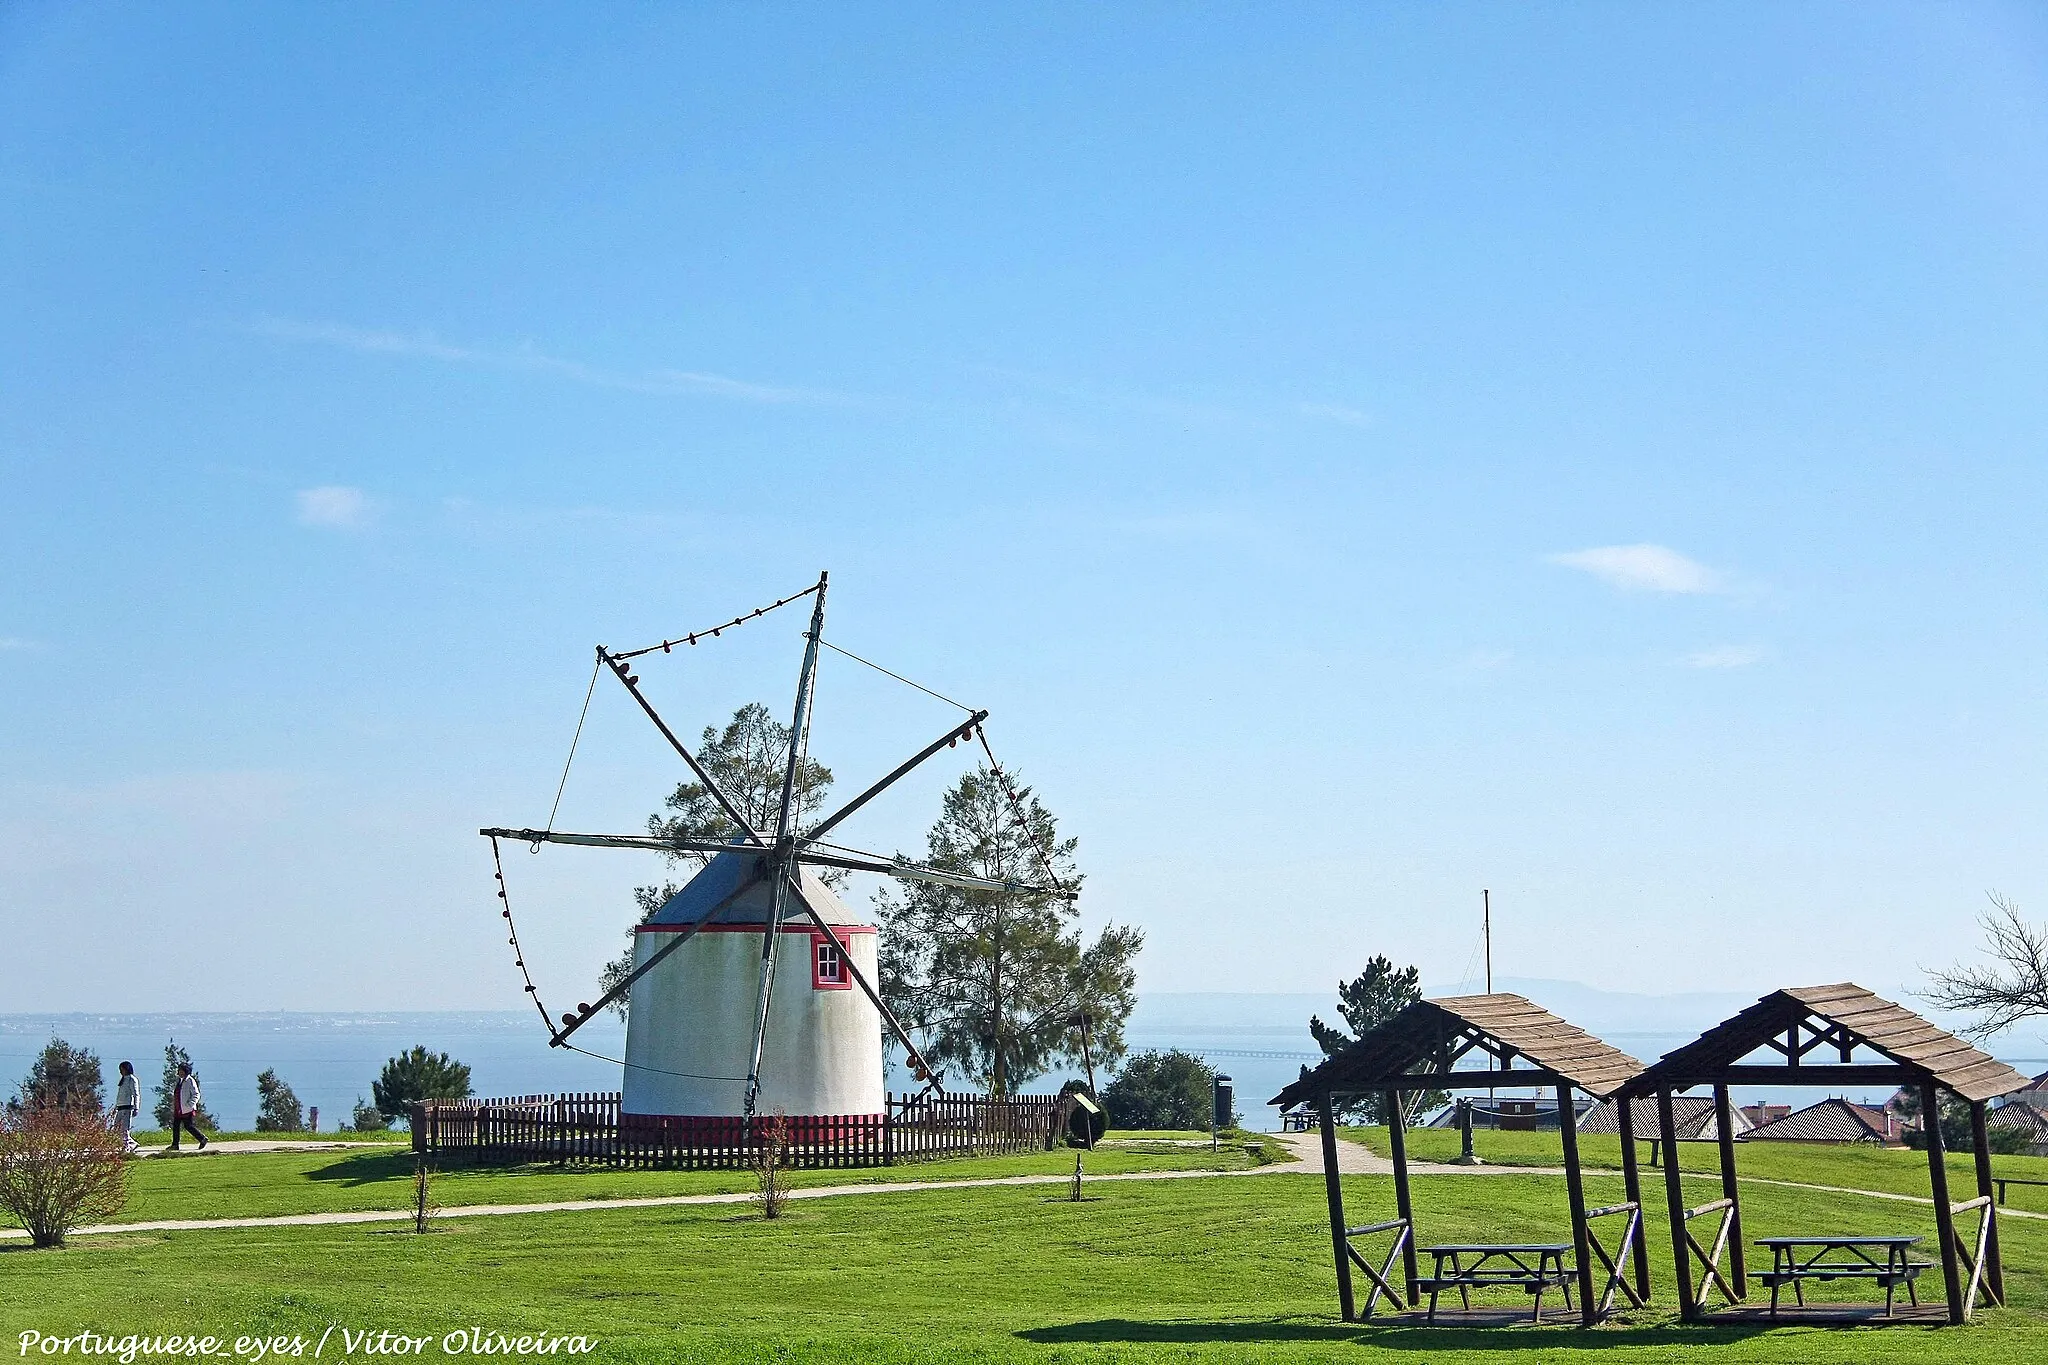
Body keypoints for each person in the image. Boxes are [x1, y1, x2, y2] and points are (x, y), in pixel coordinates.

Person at [170, 1061, 208, 1151]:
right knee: (176, 1126)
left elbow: (196, 1094)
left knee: (188, 1126)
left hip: (186, 1109)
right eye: (179, 1070)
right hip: (179, 1108)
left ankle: (202, 1138)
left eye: (182, 1071)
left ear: (186, 1071)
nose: (180, 1072)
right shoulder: (180, 1081)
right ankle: (175, 1144)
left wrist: (190, 1104)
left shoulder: (190, 1081)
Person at [113, 1061, 140, 1152]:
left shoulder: (132, 1079)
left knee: (124, 1128)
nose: (121, 1071)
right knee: (116, 1127)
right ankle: (132, 1143)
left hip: (127, 1106)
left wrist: (136, 1107)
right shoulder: (123, 1079)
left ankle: (126, 1146)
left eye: (122, 1069)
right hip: (120, 1106)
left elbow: (136, 1094)